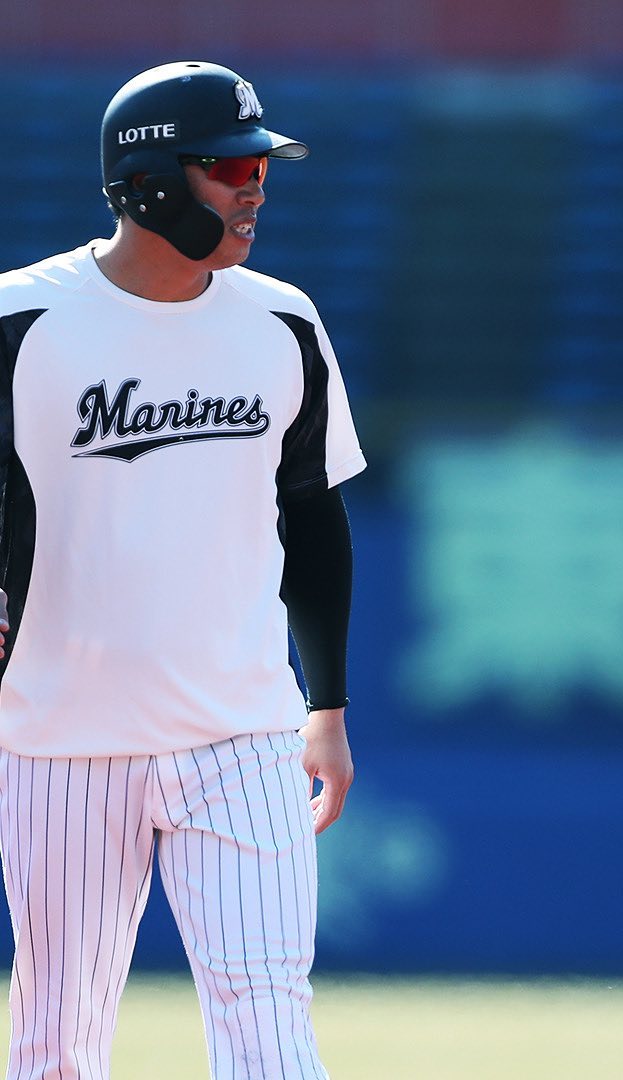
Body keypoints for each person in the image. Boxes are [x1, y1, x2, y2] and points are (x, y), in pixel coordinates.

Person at [0, 61, 365, 1078]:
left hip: (242, 736)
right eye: (230, 169)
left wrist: (327, 708)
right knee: (57, 1040)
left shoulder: (282, 320)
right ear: (149, 181)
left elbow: (315, 519)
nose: (255, 191)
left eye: (261, 170)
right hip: (59, 739)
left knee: (270, 1028)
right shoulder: (19, 321)